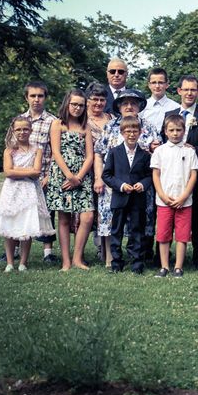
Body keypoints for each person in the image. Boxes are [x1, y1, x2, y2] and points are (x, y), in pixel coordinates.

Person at [94, 90, 161, 268]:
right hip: (115, 185)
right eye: (125, 103)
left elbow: (157, 154)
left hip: (140, 187)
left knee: (139, 224)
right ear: (118, 106)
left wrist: (154, 149)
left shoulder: (149, 126)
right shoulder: (110, 126)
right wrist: (98, 177)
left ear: (139, 106)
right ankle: (111, 258)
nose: (129, 107)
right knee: (113, 223)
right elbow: (99, 153)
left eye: (133, 103)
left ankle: (139, 257)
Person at [164, 75, 198, 268]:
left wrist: (193, 148)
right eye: (185, 89)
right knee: (167, 217)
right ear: (179, 91)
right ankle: (163, 257)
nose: (189, 93)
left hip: (197, 174)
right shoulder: (169, 114)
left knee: (197, 217)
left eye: (193, 90)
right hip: (171, 176)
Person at [0, 116, 54, 272]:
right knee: (10, 225)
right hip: (12, 191)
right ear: (13, 130)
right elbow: (8, 172)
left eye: (25, 129)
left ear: (31, 130)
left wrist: (17, 170)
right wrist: (26, 171)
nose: (22, 132)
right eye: (18, 129)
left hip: (30, 191)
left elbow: (37, 172)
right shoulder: (9, 150)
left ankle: (23, 262)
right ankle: (10, 262)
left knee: (27, 225)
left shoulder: (36, 150)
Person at [47, 89, 94, 271]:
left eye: (81, 105)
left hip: (82, 176)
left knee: (88, 216)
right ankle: (66, 261)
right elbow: (56, 152)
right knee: (64, 218)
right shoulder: (57, 124)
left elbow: (89, 156)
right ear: (67, 104)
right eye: (74, 104)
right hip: (62, 175)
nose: (77, 108)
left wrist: (79, 177)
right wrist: (69, 176)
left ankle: (77, 258)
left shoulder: (86, 127)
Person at [102, 116, 152, 274]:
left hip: (138, 199)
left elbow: (150, 175)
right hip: (120, 198)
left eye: (135, 131)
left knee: (137, 230)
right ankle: (116, 262)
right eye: (128, 131)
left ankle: (137, 262)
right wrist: (121, 185)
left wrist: (143, 184)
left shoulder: (145, 155)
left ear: (140, 132)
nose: (131, 134)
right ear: (122, 132)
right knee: (116, 231)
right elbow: (107, 175)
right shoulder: (114, 152)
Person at [151, 115, 198, 278]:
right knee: (164, 234)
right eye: (171, 130)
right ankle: (164, 266)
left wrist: (184, 195)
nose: (175, 133)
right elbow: (156, 175)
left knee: (182, 235)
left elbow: (193, 175)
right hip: (164, 201)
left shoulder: (189, 151)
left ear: (184, 131)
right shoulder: (159, 151)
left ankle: (178, 267)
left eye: (179, 130)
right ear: (165, 131)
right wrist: (162, 195)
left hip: (184, 201)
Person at [20, 81, 57, 263]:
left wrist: (50, 175)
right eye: (32, 96)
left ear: (45, 98)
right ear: (27, 97)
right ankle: (17, 249)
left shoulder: (52, 121)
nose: (36, 99)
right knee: (22, 213)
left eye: (40, 96)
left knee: (46, 213)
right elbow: (12, 149)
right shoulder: (19, 120)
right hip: (23, 177)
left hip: (44, 176)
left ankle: (47, 252)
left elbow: (56, 151)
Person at [85, 82, 113, 263]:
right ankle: (79, 251)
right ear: (87, 101)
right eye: (94, 99)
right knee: (86, 213)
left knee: (104, 211)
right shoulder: (82, 119)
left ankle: (102, 250)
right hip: (84, 171)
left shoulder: (111, 119)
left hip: (106, 171)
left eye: (102, 100)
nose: (98, 103)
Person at [140, 67, 180, 134]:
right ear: (149, 85)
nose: (157, 86)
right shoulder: (142, 107)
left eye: (160, 82)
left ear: (167, 85)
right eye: (154, 83)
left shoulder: (176, 107)